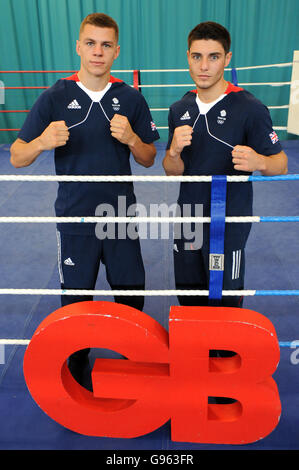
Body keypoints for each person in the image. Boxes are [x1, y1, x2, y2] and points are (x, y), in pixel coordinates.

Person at [10, 13, 160, 390]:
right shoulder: (55, 97)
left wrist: (131, 139)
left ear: (116, 52)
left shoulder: (130, 98)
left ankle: (133, 360)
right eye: (91, 43)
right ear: (79, 47)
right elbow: (16, 155)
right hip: (74, 219)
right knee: (76, 300)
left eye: (106, 45)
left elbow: (148, 157)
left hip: (120, 216)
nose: (98, 52)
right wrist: (42, 142)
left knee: (131, 292)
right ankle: (77, 365)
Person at [163, 21, 288, 309]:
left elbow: (280, 164)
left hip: (229, 220)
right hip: (188, 217)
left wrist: (258, 161)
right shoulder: (179, 109)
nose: (204, 66)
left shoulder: (250, 108)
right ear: (188, 57)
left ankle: (222, 354)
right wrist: (173, 152)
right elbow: (172, 170)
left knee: (225, 296)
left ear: (227, 59)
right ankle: (194, 353)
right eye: (197, 57)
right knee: (188, 293)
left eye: (214, 57)